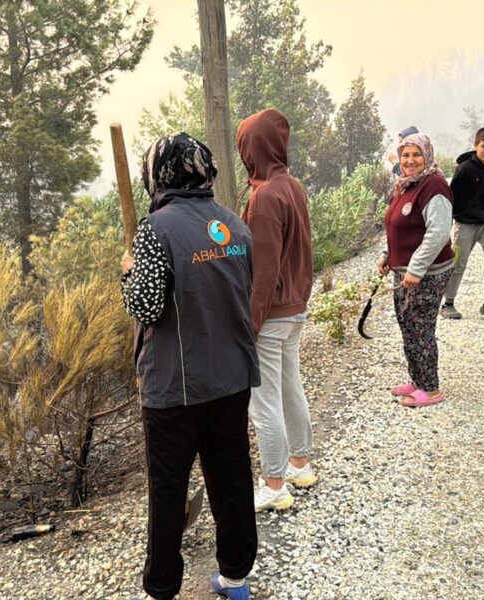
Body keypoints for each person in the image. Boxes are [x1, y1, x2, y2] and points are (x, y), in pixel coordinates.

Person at [121, 133, 259, 600]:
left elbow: (145, 306)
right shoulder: (233, 224)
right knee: (232, 478)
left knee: (167, 490)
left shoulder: (155, 229)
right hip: (232, 377)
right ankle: (235, 577)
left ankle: (162, 589)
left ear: (158, 173)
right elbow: (243, 288)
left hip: (175, 388)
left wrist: (128, 271)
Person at [236, 108, 317, 514]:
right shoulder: (292, 185)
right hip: (294, 307)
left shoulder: (265, 197)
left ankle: (274, 485)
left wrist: (248, 327)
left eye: (244, 146)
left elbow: (263, 274)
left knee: (264, 401)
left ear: (254, 148)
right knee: (290, 387)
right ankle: (299, 465)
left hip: (270, 315)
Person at [375, 132, 454, 407]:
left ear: (427, 156)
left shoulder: (434, 185)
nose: (410, 160)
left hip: (427, 273)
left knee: (420, 328)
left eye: (416, 155)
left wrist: (417, 268)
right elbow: (395, 225)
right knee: (407, 324)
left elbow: (438, 233)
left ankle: (431, 389)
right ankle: (417, 379)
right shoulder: (405, 184)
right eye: (405, 155)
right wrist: (387, 256)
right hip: (405, 270)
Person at [440, 127, 484, 322]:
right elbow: (451, 197)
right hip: (465, 223)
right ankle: (448, 304)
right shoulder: (465, 168)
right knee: (458, 263)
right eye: (483, 146)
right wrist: (448, 225)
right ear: (475, 145)